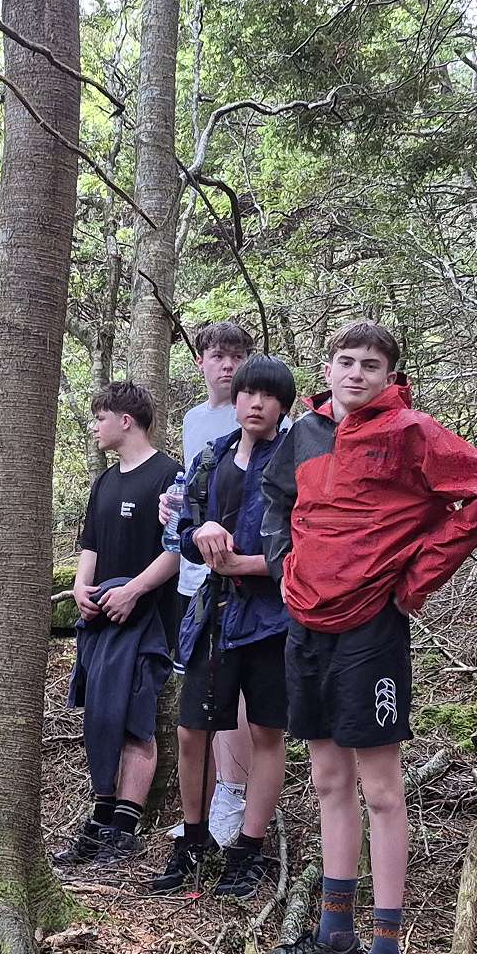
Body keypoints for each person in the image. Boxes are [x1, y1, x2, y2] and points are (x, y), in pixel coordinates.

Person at [260, 322, 477, 954]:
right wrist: (284, 566)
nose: (355, 374)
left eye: (370, 365)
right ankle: (335, 936)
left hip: (372, 625)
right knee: (327, 780)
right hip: (305, 621)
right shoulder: (305, 432)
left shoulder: (411, 433)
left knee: (380, 790)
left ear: (389, 375)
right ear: (327, 367)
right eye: (344, 361)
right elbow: (277, 501)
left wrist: (417, 578)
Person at [149, 355, 295, 899]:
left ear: (283, 405)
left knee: (266, 732)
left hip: (273, 619)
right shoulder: (212, 457)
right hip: (214, 614)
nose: (256, 404)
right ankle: (193, 840)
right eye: (248, 393)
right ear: (234, 400)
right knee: (192, 729)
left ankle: (248, 849)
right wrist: (199, 531)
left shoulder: (296, 461)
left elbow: (308, 547)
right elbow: (181, 533)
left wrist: (250, 564)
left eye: (268, 396)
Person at [59, 380, 184, 866]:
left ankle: (124, 829)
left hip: (148, 621)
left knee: (135, 720)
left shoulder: (169, 475)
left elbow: (177, 551)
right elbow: (90, 544)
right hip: (101, 621)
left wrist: (133, 591)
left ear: (125, 420)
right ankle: (101, 818)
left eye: (100, 418)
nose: (95, 427)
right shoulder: (105, 481)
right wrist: (80, 588)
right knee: (100, 716)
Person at [161, 321, 260, 845]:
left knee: (237, 694)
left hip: (242, 575)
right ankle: (207, 805)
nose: (228, 365)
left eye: (237, 355)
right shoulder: (194, 419)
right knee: (204, 693)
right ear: (200, 361)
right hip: (194, 576)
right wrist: (173, 508)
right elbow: (196, 488)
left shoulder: (263, 417)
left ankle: (234, 797)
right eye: (218, 355)